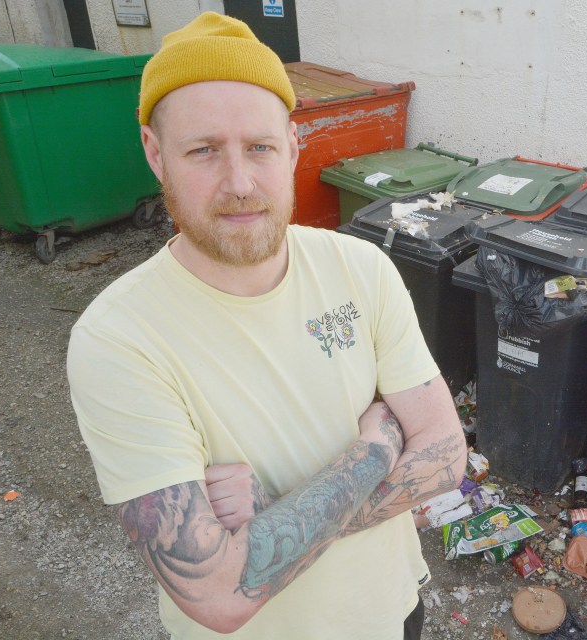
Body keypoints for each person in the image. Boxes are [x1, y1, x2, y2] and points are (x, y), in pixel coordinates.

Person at [66, 11, 465, 639]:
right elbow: (219, 594)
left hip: (390, 612)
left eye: (260, 147)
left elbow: (445, 457)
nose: (240, 182)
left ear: (294, 145)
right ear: (155, 153)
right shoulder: (118, 339)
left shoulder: (361, 268)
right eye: (203, 150)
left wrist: (268, 522)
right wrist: (375, 450)